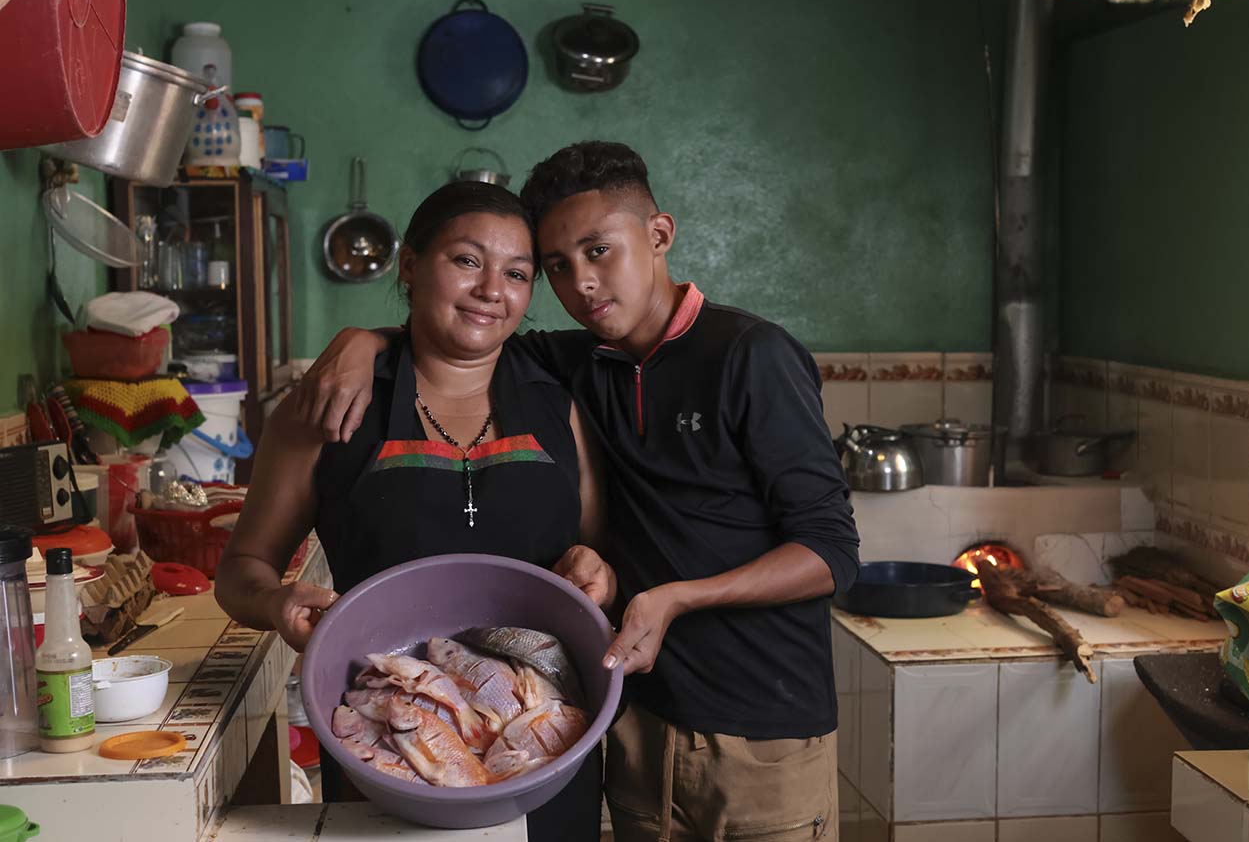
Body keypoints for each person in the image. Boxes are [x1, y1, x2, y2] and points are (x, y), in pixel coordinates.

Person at [299, 142, 860, 841]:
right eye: (558, 267)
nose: (582, 284)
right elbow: (458, 329)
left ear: (659, 236)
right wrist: (362, 339)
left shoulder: (751, 356)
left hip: (756, 730)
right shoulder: (575, 359)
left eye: (599, 252)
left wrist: (682, 597)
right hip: (630, 721)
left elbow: (831, 553)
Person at [214, 181, 605, 841]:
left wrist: (598, 568)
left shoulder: (558, 406)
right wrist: (276, 604)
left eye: (516, 273)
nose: (491, 288)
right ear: (411, 265)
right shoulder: (330, 408)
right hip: (387, 737)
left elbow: (600, 554)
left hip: (539, 742)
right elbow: (241, 570)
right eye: (466, 260)